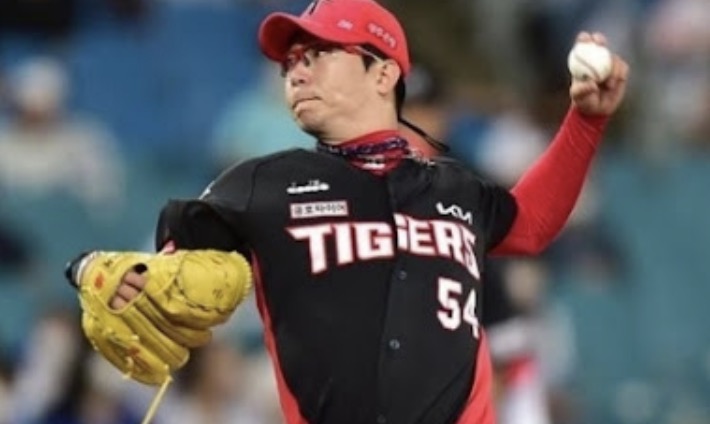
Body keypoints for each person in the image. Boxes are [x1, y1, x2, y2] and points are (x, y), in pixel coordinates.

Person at [64, 0, 629, 423]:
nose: (295, 71)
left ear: (383, 73)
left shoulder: (457, 188)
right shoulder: (263, 184)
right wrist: (89, 267)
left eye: (317, 55)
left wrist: (586, 121)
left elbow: (529, 225)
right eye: (291, 62)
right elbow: (158, 266)